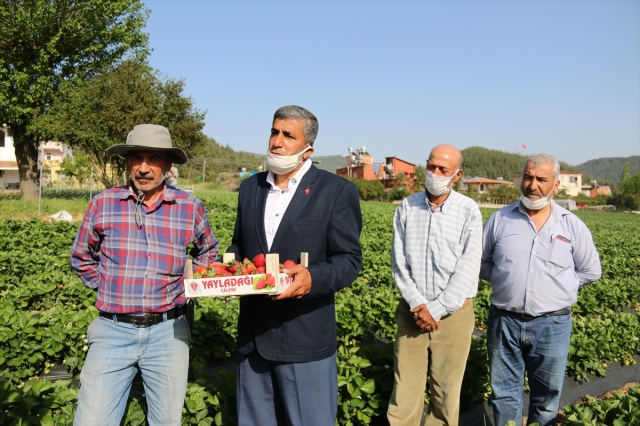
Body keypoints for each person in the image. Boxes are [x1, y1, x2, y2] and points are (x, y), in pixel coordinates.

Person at [71, 124, 219, 425]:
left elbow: (208, 251)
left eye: (153, 159)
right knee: (91, 420)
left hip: (169, 331)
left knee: (166, 421)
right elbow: (82, 256)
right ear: (127, 163)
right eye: (136, 158)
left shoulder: (189, 208)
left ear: (167, 165)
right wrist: (107, 286)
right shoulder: (104, 203)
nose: (143, 168)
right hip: (113, 330)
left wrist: (189, 287)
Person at [228, 105, 362, 425]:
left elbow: (349, 260)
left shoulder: (336, 191)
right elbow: (239, 246)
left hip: (304, 340)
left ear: (307, 150)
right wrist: (227, 270)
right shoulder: (251, 188)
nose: (277, 141)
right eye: (274, 132)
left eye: (288, 135)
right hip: (253, 339)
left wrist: (311, 279)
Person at [480, 153, 601, 426]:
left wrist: (560, 286)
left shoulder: (571, 225)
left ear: (555, 185)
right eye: (528, 177)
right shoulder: (500, 219)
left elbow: (591, 270)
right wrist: (504, 279)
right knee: (503, 394)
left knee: (546, 398)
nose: (533, 185)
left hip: (553, 322)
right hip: (504, 319)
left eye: (541, 179)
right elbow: (481, 262)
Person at [387, 144, 483, 426]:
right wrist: (418, 304)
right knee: (404, 392)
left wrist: (436, 309)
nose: (436, 173)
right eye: (432, 167)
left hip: (454, 315)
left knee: (446, 394)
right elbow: (399, 262)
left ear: (457, 175)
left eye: (444, 170)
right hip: (412, 312)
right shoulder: (407, 206)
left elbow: (468, 268)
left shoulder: (468, 211)